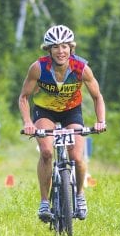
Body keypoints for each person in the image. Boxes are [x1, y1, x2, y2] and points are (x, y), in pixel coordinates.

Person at [19, 25, 106, 222]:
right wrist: (28, 122)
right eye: (56, 47)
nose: (61, 51)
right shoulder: (38, 68)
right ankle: (44, 202)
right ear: (48, 49)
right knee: (47, 152)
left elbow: (97, 96)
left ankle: (80, 196)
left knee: (76, 155)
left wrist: (101, 121)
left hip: (71, 113)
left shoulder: (81, 68)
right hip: (45, 112)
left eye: (65, 46)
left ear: (71, 48)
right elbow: (23, 97)